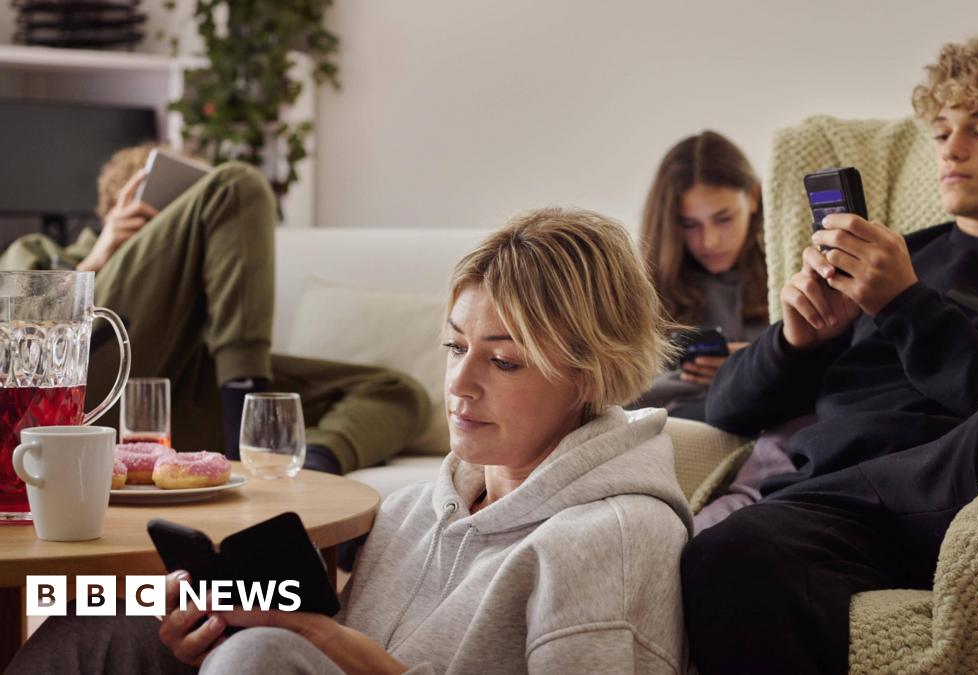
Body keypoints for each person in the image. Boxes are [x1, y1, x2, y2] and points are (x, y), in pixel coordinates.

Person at [9, 207, 692, 674]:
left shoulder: (613, 537)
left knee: (259, 658)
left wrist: (325, 643)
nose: (459, 384)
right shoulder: (412, 510)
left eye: (504, 359)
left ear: (589, 372)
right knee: (89, 626)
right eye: (454, 346)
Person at [680, 36, 978, 674]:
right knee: (731, 549)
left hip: (953, 480)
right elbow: (725, 404)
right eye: (941, 132)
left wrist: (904, 304)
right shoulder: (892, 252)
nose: (952, 150)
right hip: (830, 494)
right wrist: (796, 340)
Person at [0, 144, 430, 474]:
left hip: (184, 386)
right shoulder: (40, 250)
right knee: (237, 183)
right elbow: (18, 330)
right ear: (112, 207)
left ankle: (300, 460)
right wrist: (98, 257)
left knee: (398, 391)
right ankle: (251, 420)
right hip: (77, 380)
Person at [630, 131, 769, 420]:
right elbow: (619, 397)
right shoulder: (641, 287)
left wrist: (757, 362)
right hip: (677, 425)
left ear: (753, 198)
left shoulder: (789, 267)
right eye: (690, 225)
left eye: (723, 219)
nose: (710, 241)